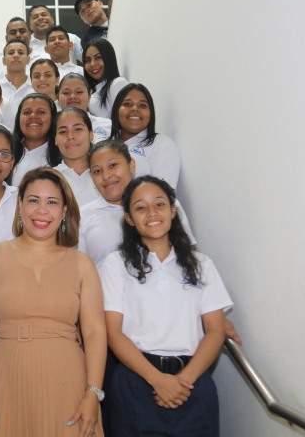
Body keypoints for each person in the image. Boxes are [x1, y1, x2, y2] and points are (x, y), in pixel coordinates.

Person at [0, 167, 106, 436]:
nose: (42, 210)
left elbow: (94, 332)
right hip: (7, 378)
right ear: (20, 205)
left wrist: (93, 393)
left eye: (52, 202)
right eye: (33, 200)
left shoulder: (82, 264)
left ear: (64, 211)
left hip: (68, 382)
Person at [101, 176, 232, 436]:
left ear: (173, 210)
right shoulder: (116, 264)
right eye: (140, 207)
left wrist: (183, 381)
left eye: (160, 204)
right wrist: (157, 380)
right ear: (129, 218)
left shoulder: (201, 263)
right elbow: (113, 332)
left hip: (193, 382)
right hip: (136, 382)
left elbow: (216, 331)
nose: (152, 213)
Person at [79, 139, 194, 270]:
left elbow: (188, 254)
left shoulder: (163, 205)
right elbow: (78, 269)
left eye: (113, 165)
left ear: (131, 165)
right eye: (97, 171)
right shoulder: (82, 216)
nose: (106, 176)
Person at [109, 83, 182, 189]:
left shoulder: (162, 144)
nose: (135, 109)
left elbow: (162, 193)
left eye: (142, 105)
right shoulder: (104, 145)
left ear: (150, 113)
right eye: (127, 104)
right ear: (116, 110)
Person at [54, 108, 99, 207]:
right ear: (55, 139)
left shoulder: (107, 175)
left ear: (91, 134)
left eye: (78, 129)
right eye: (63, 131)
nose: (70, 136)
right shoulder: (48, 177)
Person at [11, 94, 57, 185]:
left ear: (52, 118)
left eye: (41, 112)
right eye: (27, 112)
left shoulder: (62, 156)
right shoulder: (6, 152)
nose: (33, 116)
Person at [58, 73, 111, 142]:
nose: (72, 96)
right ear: (58, 98)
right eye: (66, 93)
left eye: (79, 92)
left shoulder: (107, 125)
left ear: (89, 96)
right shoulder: (50, 128)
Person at [84, 38, 129, 119]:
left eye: (98, 57)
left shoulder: (118, 83)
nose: (92, 64)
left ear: (109, 58)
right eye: (88, 60)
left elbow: (124, 119)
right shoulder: (92, 90)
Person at [0, 39, 33, 116]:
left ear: (28, 59)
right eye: (11, 53)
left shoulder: (36, 87)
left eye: (21, 53)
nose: (16, 55)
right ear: (3, 60)